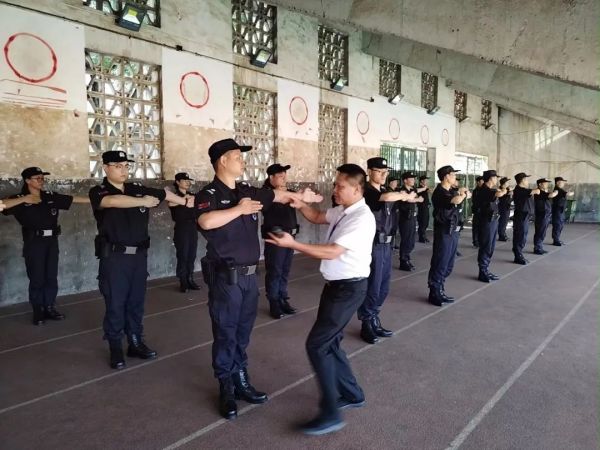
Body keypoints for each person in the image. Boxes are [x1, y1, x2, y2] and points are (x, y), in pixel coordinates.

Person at [195, 138, 322, 421]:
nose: (242, 161)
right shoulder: (210, 193)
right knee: (226, 332)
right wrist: (239, 210)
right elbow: (205, 221)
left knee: (242, 332)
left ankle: (240, 378)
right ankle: (225, 386)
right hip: (226, 278)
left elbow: (277, 195)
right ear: (222, 161)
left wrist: (301, 197)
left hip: (250, 278)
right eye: (237, 156)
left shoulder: (247, 191)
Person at [266, 163, 375, 436]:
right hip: (336, 286)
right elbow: (315, 216)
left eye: (340, 186)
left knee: (317, 345)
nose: (334, 190)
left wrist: (293, 245)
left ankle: (330, 412)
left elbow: (332, 252)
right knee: (331, 343)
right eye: (335, 184)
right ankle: (352, 393)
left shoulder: (361, 218)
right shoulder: (343, 210)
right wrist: (297, 202)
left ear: (357, 189)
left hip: (349, 289)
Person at [89, 151, 193, 370]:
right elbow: (111, 201)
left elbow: (164, 194)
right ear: (105, 168)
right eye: (118, 166)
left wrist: (184, 201)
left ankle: (135, 341)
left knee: (136, 301)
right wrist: (143, 201)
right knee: (116, 303)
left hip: (138, 257)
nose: (124, 170)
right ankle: (116, 346)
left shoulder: (137, 188)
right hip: (115, 258)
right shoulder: (98, 191)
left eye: (127, 165)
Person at [2, 167, 89, 325]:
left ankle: (49, 307)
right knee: (37, 277)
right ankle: (38, 310)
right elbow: (2, 205)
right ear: (27, 180)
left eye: (43, 178)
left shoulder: (49, 196)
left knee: (50, 276)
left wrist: (100, 200)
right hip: (34, 243)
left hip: (51, 242)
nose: (41, 181)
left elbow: (73, 199)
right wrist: (24, 199)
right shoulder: (19, 198)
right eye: (37, 178)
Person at [357, 157, 414, 345]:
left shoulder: (386, 190)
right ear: (369, 171)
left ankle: (374, 317)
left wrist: (404, 196)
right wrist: (404, 195)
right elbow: (388, 198)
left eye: (386, 172)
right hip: (373, 244)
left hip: (387, 244)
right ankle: (366, 322)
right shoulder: (367, 191)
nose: (383, 175)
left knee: (384, 285)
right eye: (379, 171)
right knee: (373, 284)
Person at [427, 166, 471, 306]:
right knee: (440, 261)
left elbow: (462, 195)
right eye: (452, 175)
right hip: (444, 232)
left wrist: (463, 192)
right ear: (446, 176)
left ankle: (440, 288)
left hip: (452, 231)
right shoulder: (440, 192)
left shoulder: (450, 190)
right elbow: (456, 200)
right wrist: (463, 194)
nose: (454, 178)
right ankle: (434, 292)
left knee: (448, 263)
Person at [261, 163, 299, 319]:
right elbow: (280, 200)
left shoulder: (290, 192)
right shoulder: (266, 194)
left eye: (285, 175)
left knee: (284, 270)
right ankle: (274, 302)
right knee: (275, 270)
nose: (284, 178)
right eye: (280, 176)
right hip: (276, 238)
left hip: (290, 237)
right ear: (271, 178)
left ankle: (283, 298)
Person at [169, 172, 200, 293]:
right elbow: (170, 202)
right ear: (177, 182)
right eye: (185, 180)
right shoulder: (174, 196)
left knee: (191, 254)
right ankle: (183, 281)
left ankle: (190, 278)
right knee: (183, 255)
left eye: (189, 181)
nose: (188, 182)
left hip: (192, 227)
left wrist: (190, 198)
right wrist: (184, 199)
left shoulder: (192, 195)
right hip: (182, 228)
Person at [473, 170, 507, 282]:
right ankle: (482, 271)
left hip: (492, 221)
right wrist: (504, 189)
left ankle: (486, 269)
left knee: (490, 247)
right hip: (486, 221)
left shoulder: (489, 190)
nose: (497, 179)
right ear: (491, 178)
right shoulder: (484, 190)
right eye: (495, 177)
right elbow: (499, 194)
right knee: (486, 246)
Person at [396, 172, 424, 271]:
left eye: (414, 179)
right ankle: (403, 261)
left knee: (411, 240)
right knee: (406, 239)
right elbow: (408, 200)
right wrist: (418, 199)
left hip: (412, 217)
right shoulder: (401, 190)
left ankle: (407, 258)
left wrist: (418, 196)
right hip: (405, 219)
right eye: (411, 179)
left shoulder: (412, 190)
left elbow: (416, 195)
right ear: (405, 180)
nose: (413, 180)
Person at [511, 173, 541, 265]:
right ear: (522, 180)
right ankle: (518, 255)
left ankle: (519, 254)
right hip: (521, 216)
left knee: (522, 236)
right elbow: (534, 191)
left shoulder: (523, 190)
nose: (528, 181)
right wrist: (538, 189)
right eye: (526, 179)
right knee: (520, 236)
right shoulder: (519, 190)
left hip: (525, 216)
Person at [532, 178, 558, 254]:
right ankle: (537, 248)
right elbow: (551, 195)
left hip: (546, 215)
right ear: (540, 184)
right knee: (540, 231)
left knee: (542, 232)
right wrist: (556, 191)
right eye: (545, 183)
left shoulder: (543, 192)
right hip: (541, 215)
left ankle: (539, 247)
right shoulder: (538, 192)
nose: (547, 184)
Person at [551, 177, 573, 246]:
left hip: (561, 210)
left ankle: (557, 239)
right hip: (557, 210)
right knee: (557, 225)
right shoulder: (557, 190)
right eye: (562, 182)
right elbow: (567, 194)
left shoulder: (560, 190)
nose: (563, 183)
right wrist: (570, 193)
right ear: (557, 183)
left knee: (560, 225)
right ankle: (556, 240)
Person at [471, 176, 484, 247]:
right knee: (476, 227)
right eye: (482, 181)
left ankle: (479, 240)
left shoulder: (483, 189)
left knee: (481, 227)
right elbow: (475, 201)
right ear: (478, 182)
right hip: (477, 211)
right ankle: (475, 241)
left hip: (482, 211)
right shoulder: (476, 191)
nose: (483, 182)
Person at [497, 177, 512, 241]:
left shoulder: (507, 189)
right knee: (502, 221)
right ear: (503, 184)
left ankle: (503, 233)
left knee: (505, 222)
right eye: (507, 182)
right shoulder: (500, 189)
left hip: (507, 207)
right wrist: (509, 193)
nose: (508, 183)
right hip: (502, 207)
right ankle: (501, 235)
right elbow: (502, 198)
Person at [417, 175, 431, 243]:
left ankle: (424, 236)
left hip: (426, 208)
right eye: (425, 180)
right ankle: (421, 237)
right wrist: (424, 188)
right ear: (421, 181)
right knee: (422, 223)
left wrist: (427, 188)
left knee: (425, 223)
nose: (427, 181)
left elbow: (431, 191)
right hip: (422, 208)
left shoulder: (425, 188)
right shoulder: (419, 188)